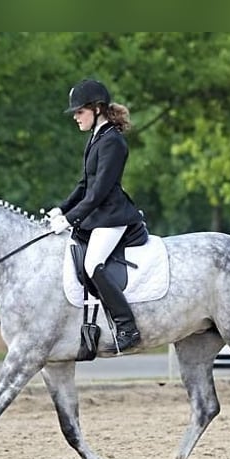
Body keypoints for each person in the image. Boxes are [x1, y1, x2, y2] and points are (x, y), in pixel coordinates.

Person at [48, 78, 145, 352]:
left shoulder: (113, 141)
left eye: (80, 112)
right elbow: (84, 184)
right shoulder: (96, 137)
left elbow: (99, 192)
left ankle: (127, 326)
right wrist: (61, 208)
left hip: (113, 217)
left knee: (93, 264)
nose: (76, 118)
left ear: (97, 108)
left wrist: (69, 220)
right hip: (98, 216)